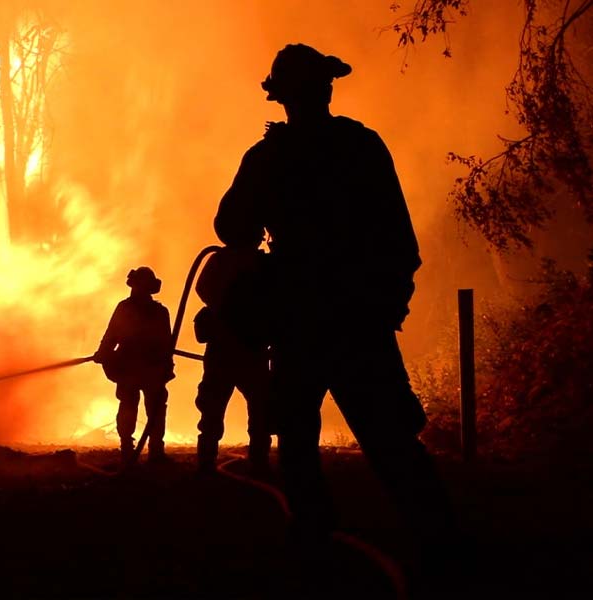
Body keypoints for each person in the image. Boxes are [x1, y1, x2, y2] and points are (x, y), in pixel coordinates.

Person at [214, 43, 459, 578]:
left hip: (302, 319)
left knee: (298, 435)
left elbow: (232, 230)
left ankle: (312, 536)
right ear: (325, 89)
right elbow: (400, 239)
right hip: (356, 319)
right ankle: (436, 542)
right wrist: (389, 302)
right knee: (388, 436)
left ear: (280, 97)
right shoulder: (360, 146)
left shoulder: (270, 157)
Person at [192, 235, 273, 476]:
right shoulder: (253, 263)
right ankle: (252, 462)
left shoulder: (225, 261)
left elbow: (202, 288)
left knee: (253, 407)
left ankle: (249, 461)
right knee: (223, 406)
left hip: (239, 348)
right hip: (241, 348)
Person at [93, 266, 175, 466]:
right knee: (131, 406)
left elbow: (166, 343)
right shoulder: (128, 309)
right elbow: (111, 335)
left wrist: (165, 365)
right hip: (132, 367)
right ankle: (129, 449)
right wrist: (103, 353)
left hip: (148, 367)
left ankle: (153, 450)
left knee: (153, 409)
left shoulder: (157, 312)